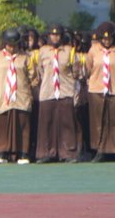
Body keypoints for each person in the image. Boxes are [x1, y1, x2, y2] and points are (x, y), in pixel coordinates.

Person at [32, 24, 82, 162]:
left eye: (58, 35)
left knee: (66, 124)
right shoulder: (42, 52)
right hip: (48, 91)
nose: (55, 37)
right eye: (52, 35)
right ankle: (46, 153)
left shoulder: (69, 51)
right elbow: (39, 71)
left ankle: (67, 153)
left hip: (65, 91)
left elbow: (76, 72)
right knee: (46, 124)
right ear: (48, 36)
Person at [0, 27, 34, 164]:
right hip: (4, 96)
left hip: (21, 96)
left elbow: (33, 76)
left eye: (14, 44)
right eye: (9, 44)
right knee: (2, 124)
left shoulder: (25, 58)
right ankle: (1, 153)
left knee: (22, 124)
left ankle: (23, 153)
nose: (11, 47)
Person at [85, 22, 115, 162]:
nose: (107, 41)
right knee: (99, 122)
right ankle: (100, 150)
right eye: (104, 39)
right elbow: (88, 69)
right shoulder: (93, 51)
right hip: (97, 90)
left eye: (109, 38)